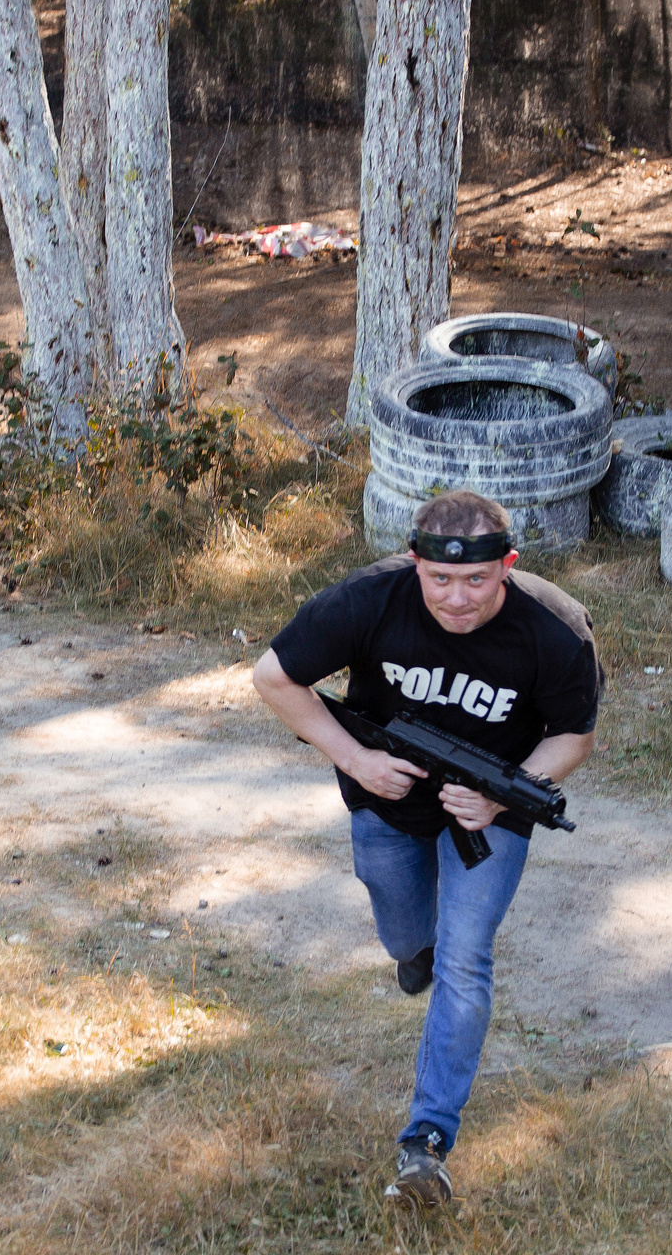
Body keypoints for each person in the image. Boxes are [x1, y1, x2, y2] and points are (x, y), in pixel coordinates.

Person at [251, 492, 602, 1208]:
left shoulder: (555, 628)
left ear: (507, 565)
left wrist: (503, 797)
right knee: (407, 935)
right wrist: (357, 760)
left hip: (488, 811)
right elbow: (273, 677)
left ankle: (427, 1144)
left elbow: (575, 735)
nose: (457, 597)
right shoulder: (369, 600)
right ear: (415, 563)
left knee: (465, 960)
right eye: (440, 578)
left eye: (477, 579)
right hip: (387, 797)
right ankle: (418, 954)